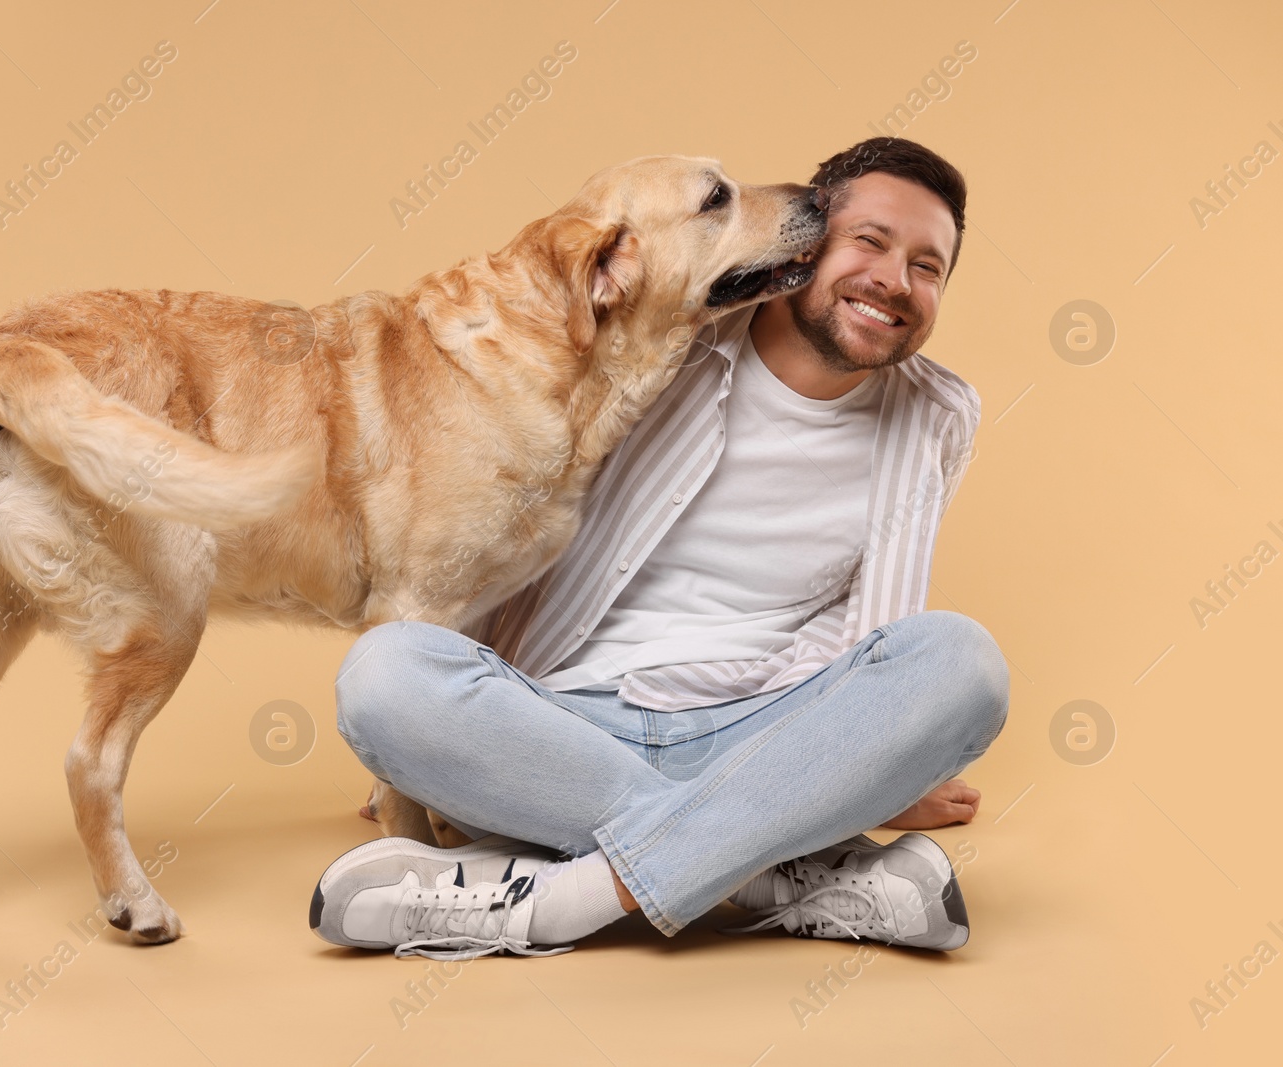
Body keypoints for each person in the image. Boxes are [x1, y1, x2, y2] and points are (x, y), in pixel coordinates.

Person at [310, 137, 1008, 961]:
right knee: (384, 674)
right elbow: (494, 492)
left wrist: (869, 756)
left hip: (758, 730)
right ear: (807, 239)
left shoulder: (937, 414)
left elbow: (874, 628)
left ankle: (555, 900)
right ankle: (777, 874)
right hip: (558, 722)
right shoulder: (660, 335)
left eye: (929, 268)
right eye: (871, 242)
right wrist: (447, 742)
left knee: (962, 662)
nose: (896, 281)